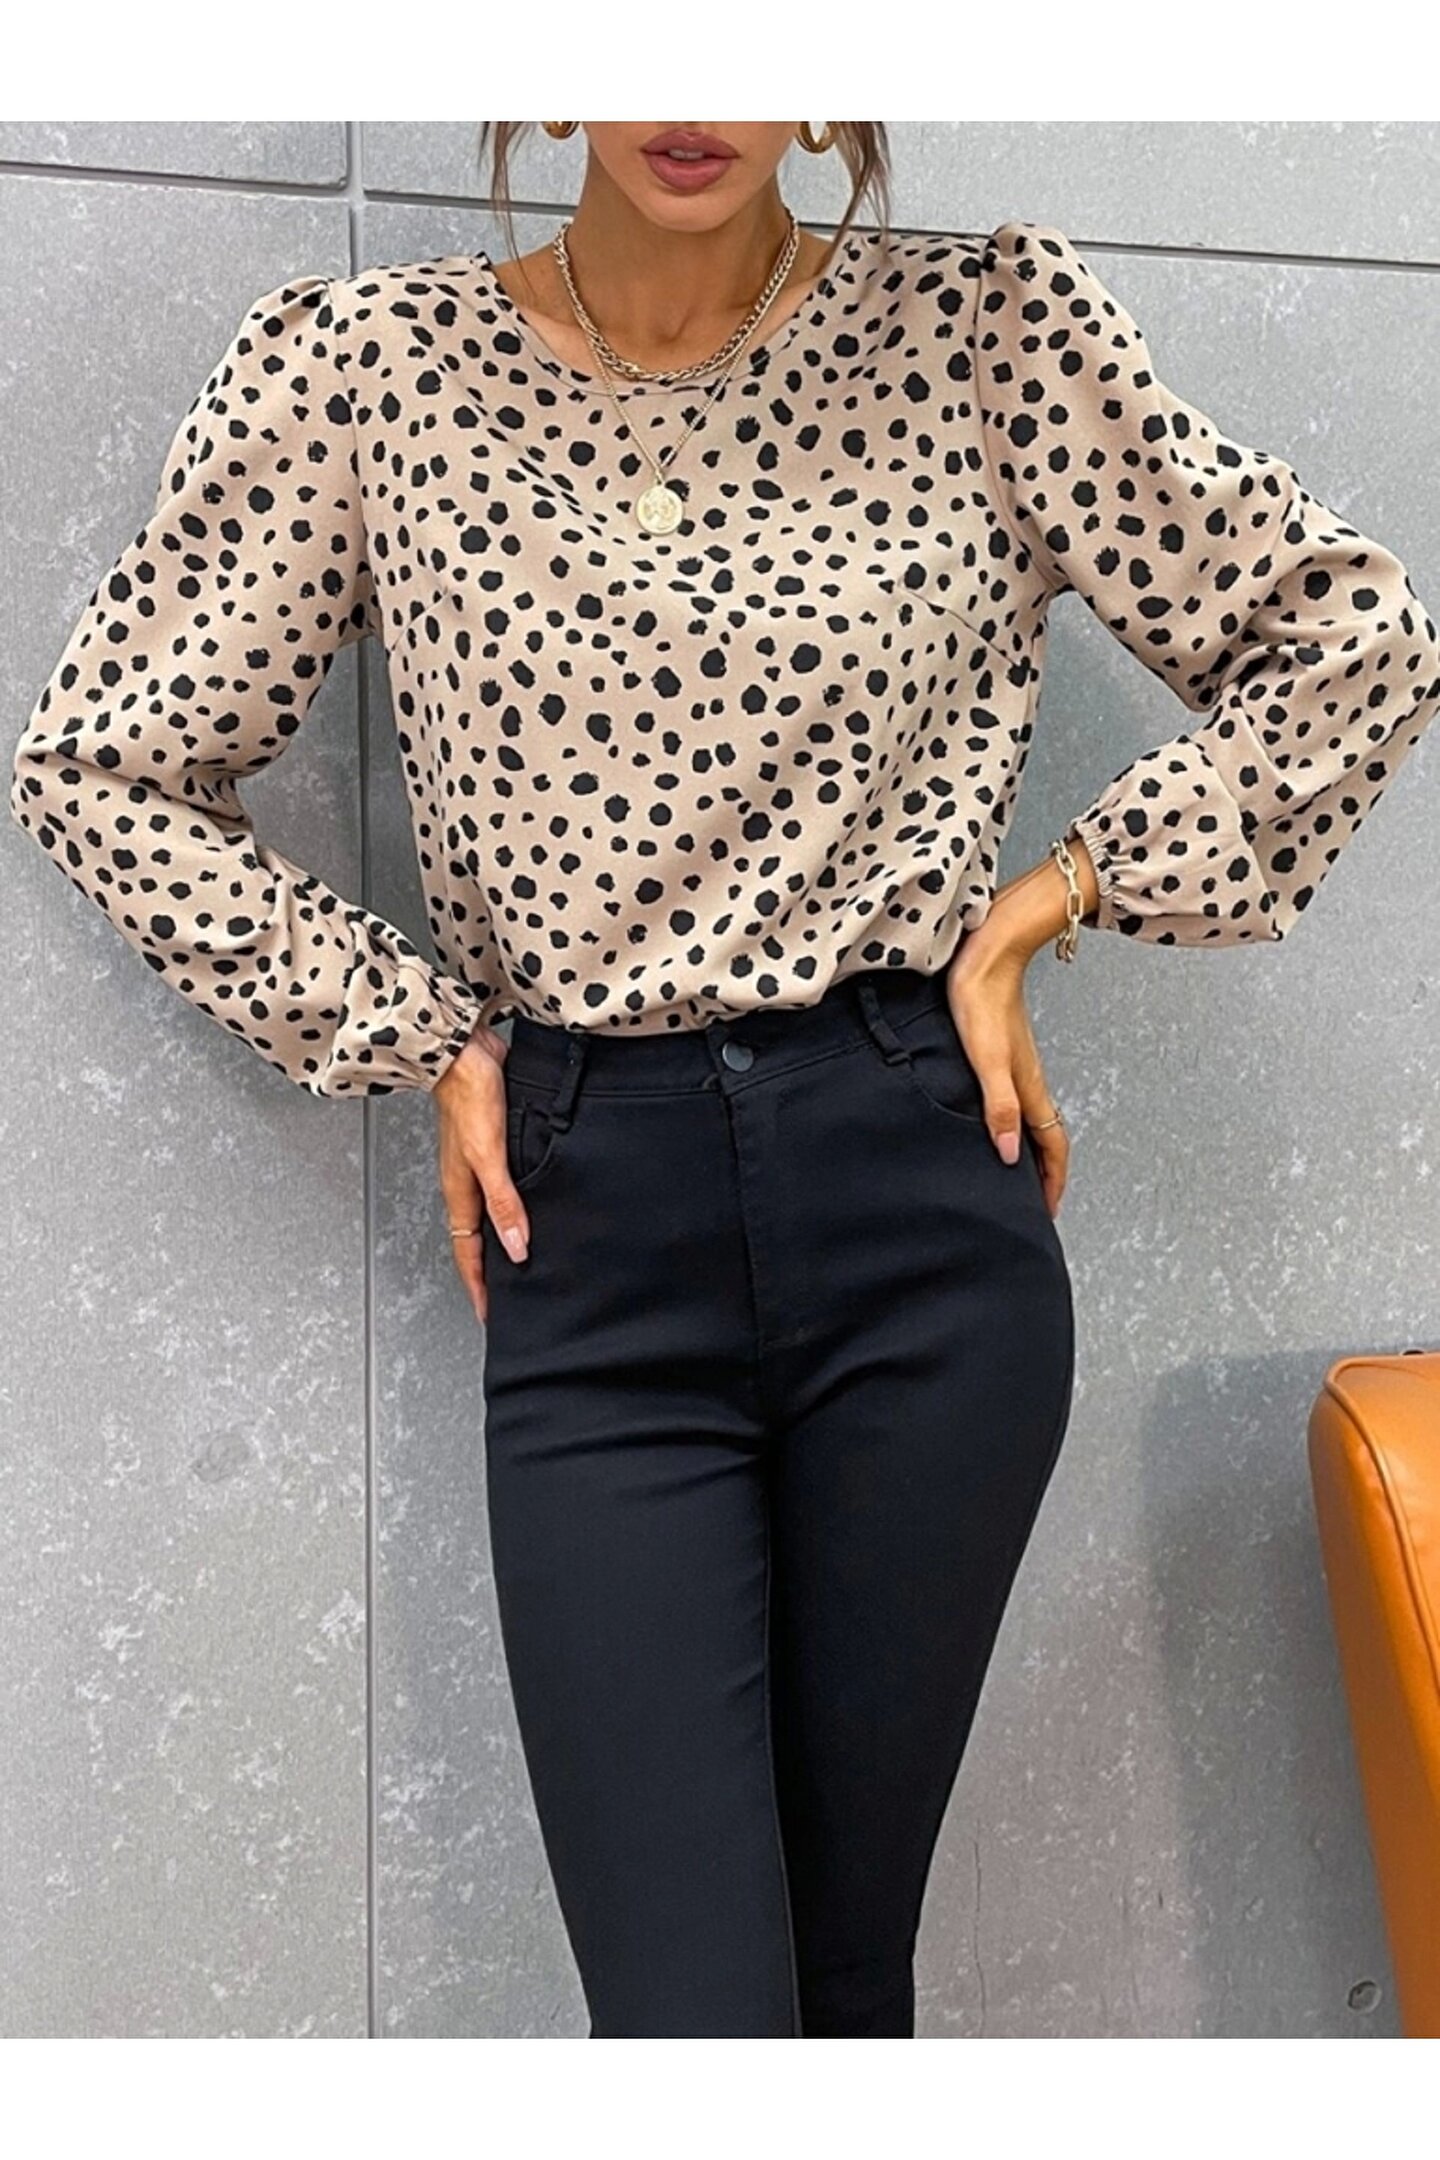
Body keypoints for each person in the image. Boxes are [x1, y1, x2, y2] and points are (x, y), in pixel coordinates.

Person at [10, 121, 1438, 2039]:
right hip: (594, 1236)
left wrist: (1048, 909)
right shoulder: (368, 372)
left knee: (845, 1991)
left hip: (918, 1207)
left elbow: (1352, 640)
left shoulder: (982, 335)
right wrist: (418, 1032)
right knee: (688, 2022)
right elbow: (102, 763)